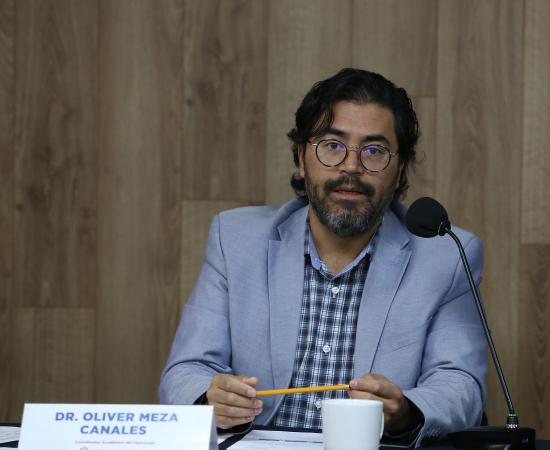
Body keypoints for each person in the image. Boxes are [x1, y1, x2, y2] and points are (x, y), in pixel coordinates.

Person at [159, 68, 487, 446]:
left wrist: (405, 412)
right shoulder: (235, 240)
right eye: (332, 145)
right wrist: (211, 400)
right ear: (301, 158)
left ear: (399, 171)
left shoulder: (446, 257)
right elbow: (186, 371)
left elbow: (461, 385)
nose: (351, 166)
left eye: (374, 151)